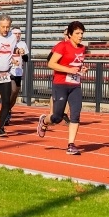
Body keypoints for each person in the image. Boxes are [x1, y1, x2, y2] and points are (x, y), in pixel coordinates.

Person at [37, 21, 88, 154]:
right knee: (57, 117)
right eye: (77, 33)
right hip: (60, 84)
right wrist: (69, 70)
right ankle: (44, 121)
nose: (80, 36)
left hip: (75, 86)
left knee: (75, 114)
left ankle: (71, 144)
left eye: (82, 33)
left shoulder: (82, 48)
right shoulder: (62, 46)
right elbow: (51, 64)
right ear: (70, 34)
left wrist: (82, 69)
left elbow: (76, 64)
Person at [7, 27, 29, 124]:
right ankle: (6, 111)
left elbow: (26, 59)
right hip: (8, 71)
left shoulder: (23, 44)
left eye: (19, 33)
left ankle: (8, 109)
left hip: (18, 72)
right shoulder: (8, 43)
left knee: (15, 93)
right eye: (15, 33)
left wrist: (23, 54)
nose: (18, 35)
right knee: (12, 90)